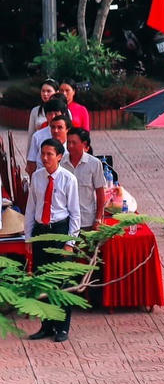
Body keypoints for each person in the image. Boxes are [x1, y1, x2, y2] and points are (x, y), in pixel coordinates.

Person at [24, 138, 81, 342]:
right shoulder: (37, 177)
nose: (45, 158)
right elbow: (31, 208)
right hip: (41, 231)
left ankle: (62, 327)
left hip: (59, 230)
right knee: (42, 279)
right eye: (43, 154)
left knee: (62, 281)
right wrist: (29, 238)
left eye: (50, 154)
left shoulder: (68, 179)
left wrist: (70, 242)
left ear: (59, 156)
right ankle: (46, 325)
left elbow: (75, 214)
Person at [63, 128, 107, 233]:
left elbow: (100, 193)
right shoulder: (61, 163)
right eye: (68, 142)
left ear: (84, 144)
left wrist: (98, 218)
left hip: (86, 220)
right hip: (65, 219)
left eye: (74, 143)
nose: (70, 146)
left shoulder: (94, 164)